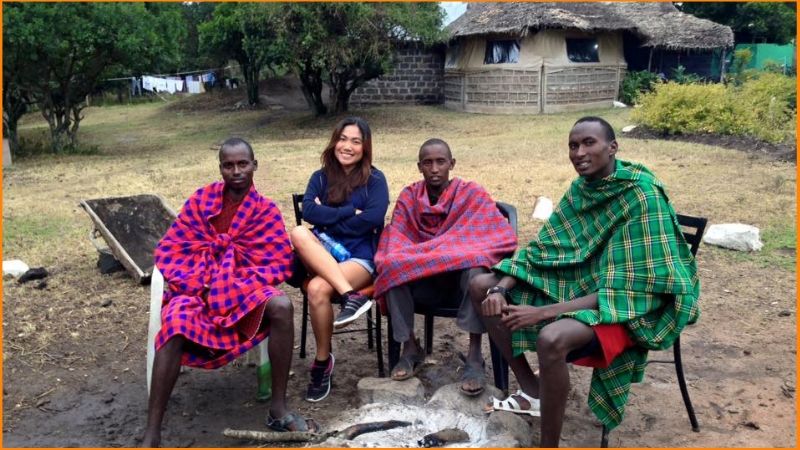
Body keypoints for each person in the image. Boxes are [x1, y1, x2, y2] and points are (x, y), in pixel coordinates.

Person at [470, 117, 700, 447]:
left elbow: (629, 290)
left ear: (612, 147)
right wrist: (499, 288)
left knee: (551, 337)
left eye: (589, 143)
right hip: (581, 288)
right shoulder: (581, 190)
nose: (579, 152)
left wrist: (544, 312)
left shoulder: (642, 198)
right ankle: (532, 389)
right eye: (573, 146)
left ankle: (548, 444)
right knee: (479, 285)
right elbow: (543, 251)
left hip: (629, 307)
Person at [143, 138, 316, 447]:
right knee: (175, 322)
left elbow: (277, 263)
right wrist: (202, 282)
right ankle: (152, 431)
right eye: (228, 165)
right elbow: (172, 248)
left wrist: (234, 284)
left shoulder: (265, 211)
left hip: (241, 289)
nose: (236, 171)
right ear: (220, 168)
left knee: (281, 306)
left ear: (254, 165)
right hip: (196, 289)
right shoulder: (200, 201)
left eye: (243, 164)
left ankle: (278, 408)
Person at [373, 138, 517, 394]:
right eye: (428, 163)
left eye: (441, 162)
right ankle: (409, 347)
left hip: (460, 285)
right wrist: (432, 256)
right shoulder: (409, 196)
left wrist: (446, 254)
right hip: (423, 281)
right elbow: (396, 239)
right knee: (392, 266)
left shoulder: (471, 193)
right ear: (419, 167)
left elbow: (500, 238)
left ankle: (474, 356)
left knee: (477, 268)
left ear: (452, 163)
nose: (435, 168)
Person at [289, 116, 389, 402]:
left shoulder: (375, 180)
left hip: (360, 259)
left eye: (356, 141)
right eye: (343, 139)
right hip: (322, 253)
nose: (347, 146)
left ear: (365, 147)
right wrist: (348, 213)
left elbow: (371, 220)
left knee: (318, 288)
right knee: (297, 232)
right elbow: (308, 212)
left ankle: (322, 363)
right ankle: (350, 295)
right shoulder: (320, 177)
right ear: (334, 141)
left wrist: (329, 218)